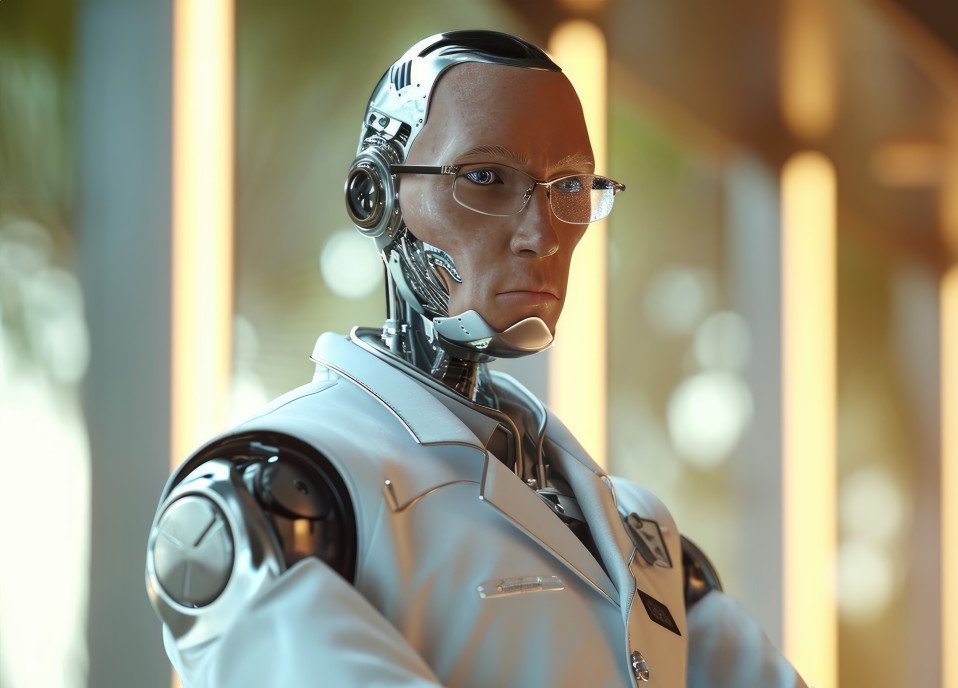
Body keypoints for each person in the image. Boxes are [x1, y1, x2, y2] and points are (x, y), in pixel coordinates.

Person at [145, 30, 807, 688]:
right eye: (486, 178)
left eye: (570, 187)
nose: (541, 234)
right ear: (374, 196)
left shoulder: (641, 531)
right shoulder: (277, 492)